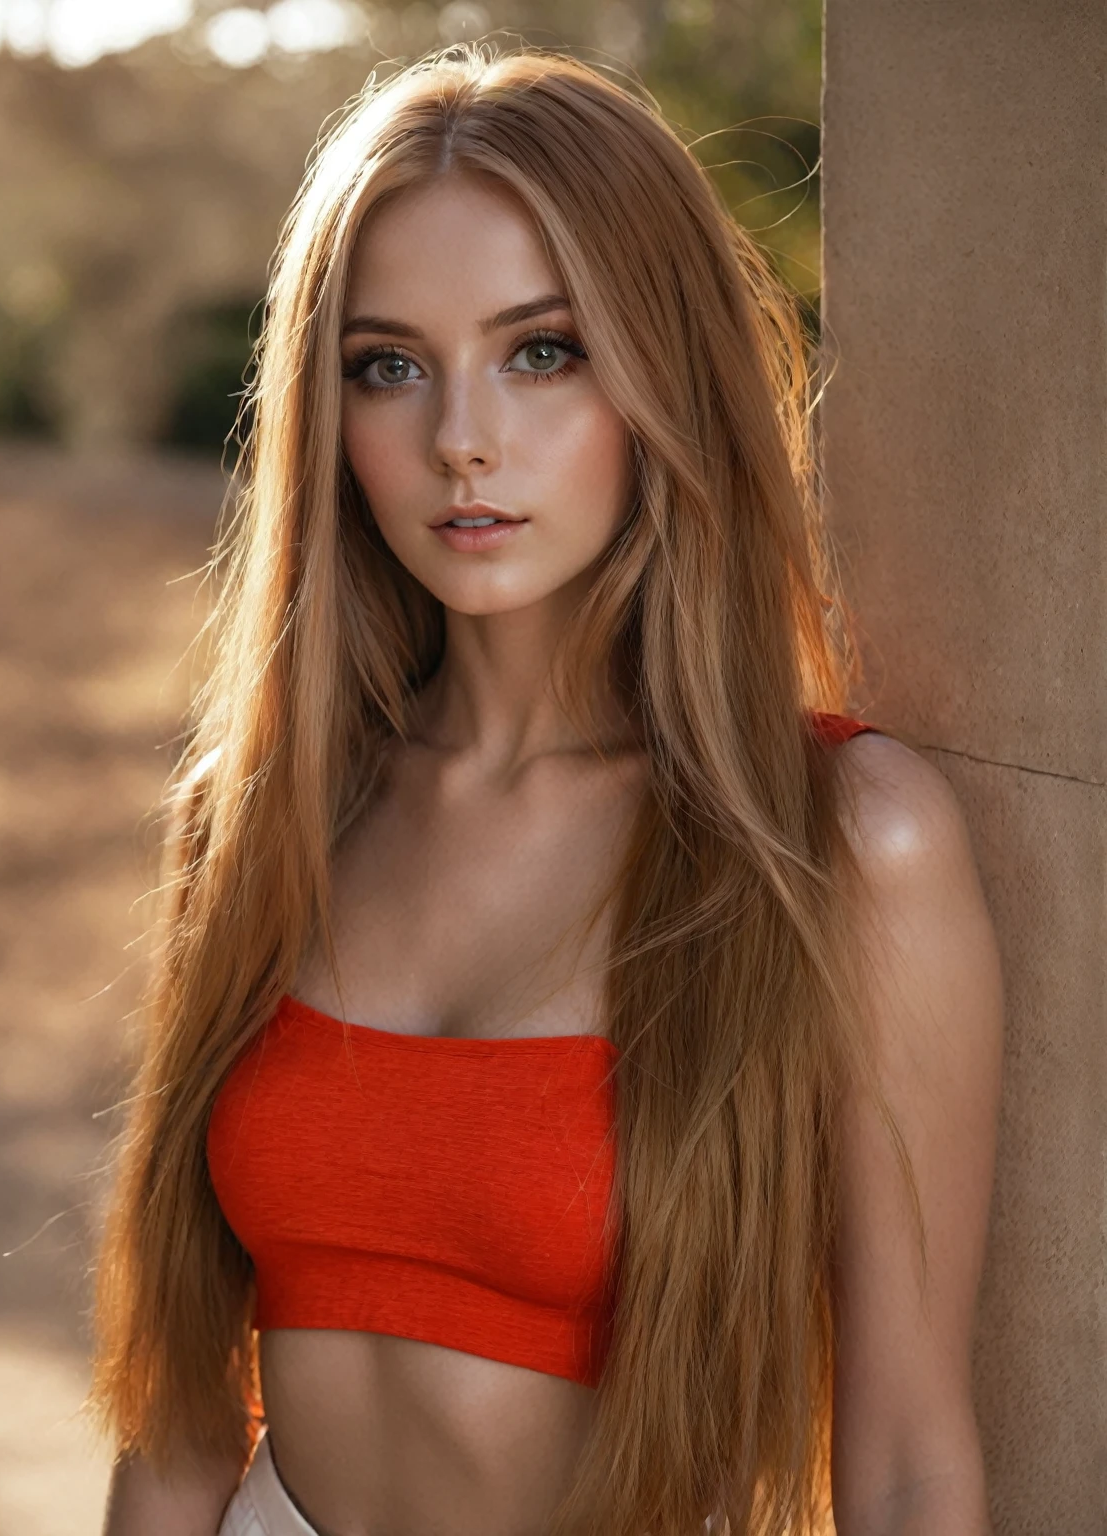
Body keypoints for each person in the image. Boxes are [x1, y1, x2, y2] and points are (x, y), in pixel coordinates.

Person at [92, 45, 1003, 1536]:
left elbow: (904, 1463)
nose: (462, 438)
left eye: (542, 349)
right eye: (389, 364)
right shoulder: (259, 817)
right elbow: (183, 1421)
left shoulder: (839, 843)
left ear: (666, 371)